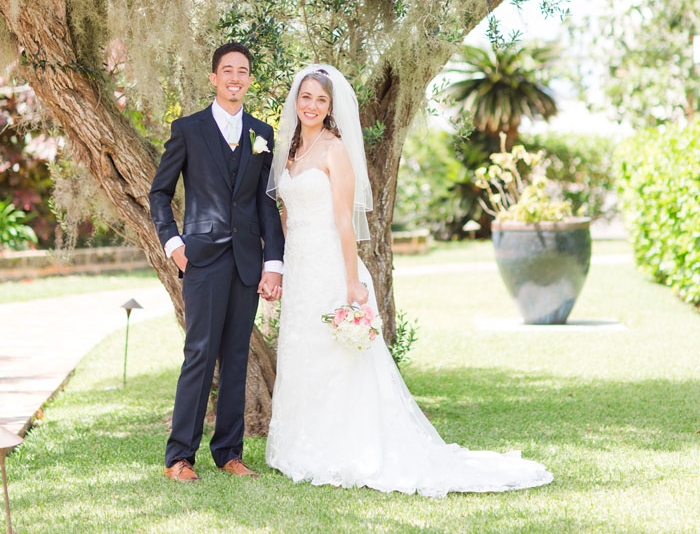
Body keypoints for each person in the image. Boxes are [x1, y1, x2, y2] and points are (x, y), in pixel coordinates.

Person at [265, 64, 553, 496]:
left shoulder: (334, 151)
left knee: (338, 359)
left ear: (330, 108)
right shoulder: (287, 152)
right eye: (306, 97)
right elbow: (285, 214)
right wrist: (284, 265)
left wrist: (351, 282)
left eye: (320, 100)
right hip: (300, 266)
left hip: (330, 265)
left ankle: (344, 449)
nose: (311, 105)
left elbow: (344, 221)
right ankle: (300, 447)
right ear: (296, 99)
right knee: (302, 352)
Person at [149, 41, 284, 482]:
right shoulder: (187, 128)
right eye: (227, 70)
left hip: (247, 261)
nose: (235, 77)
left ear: (249, 79)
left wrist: (273, 264)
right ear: (213, 78)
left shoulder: (262, 133)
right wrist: (174, 245)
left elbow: (267, 204)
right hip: (202, 260)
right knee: (200, 354)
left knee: (236, 357)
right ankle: (179, 458)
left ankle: (229, 453)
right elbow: (159, 193)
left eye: (243, 71)